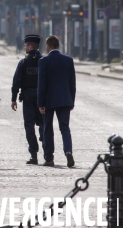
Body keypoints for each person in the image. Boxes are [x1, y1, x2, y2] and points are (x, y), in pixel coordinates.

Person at [37, 35, 76, 168]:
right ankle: (68, 151)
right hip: (65, 99)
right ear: (58, 45)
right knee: (65, 127)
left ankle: (49, 158)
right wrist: (71, 101)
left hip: (49, 100)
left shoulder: (44, 61)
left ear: (48, 46)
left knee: (47, 127)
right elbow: (72, 83)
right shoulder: (69, 60)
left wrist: (40, 103)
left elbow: (41, 84)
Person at [11, 34, 44, 165]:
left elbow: (16, 81)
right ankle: (47, 152)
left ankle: (34, 155)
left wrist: (13, 98)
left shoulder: (24, 62)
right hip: (42, 97)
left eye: (26, 45)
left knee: (29, 125)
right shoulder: (44, 61)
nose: (25, 47)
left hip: (28, 96)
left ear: (30, 46)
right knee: (43, 124)